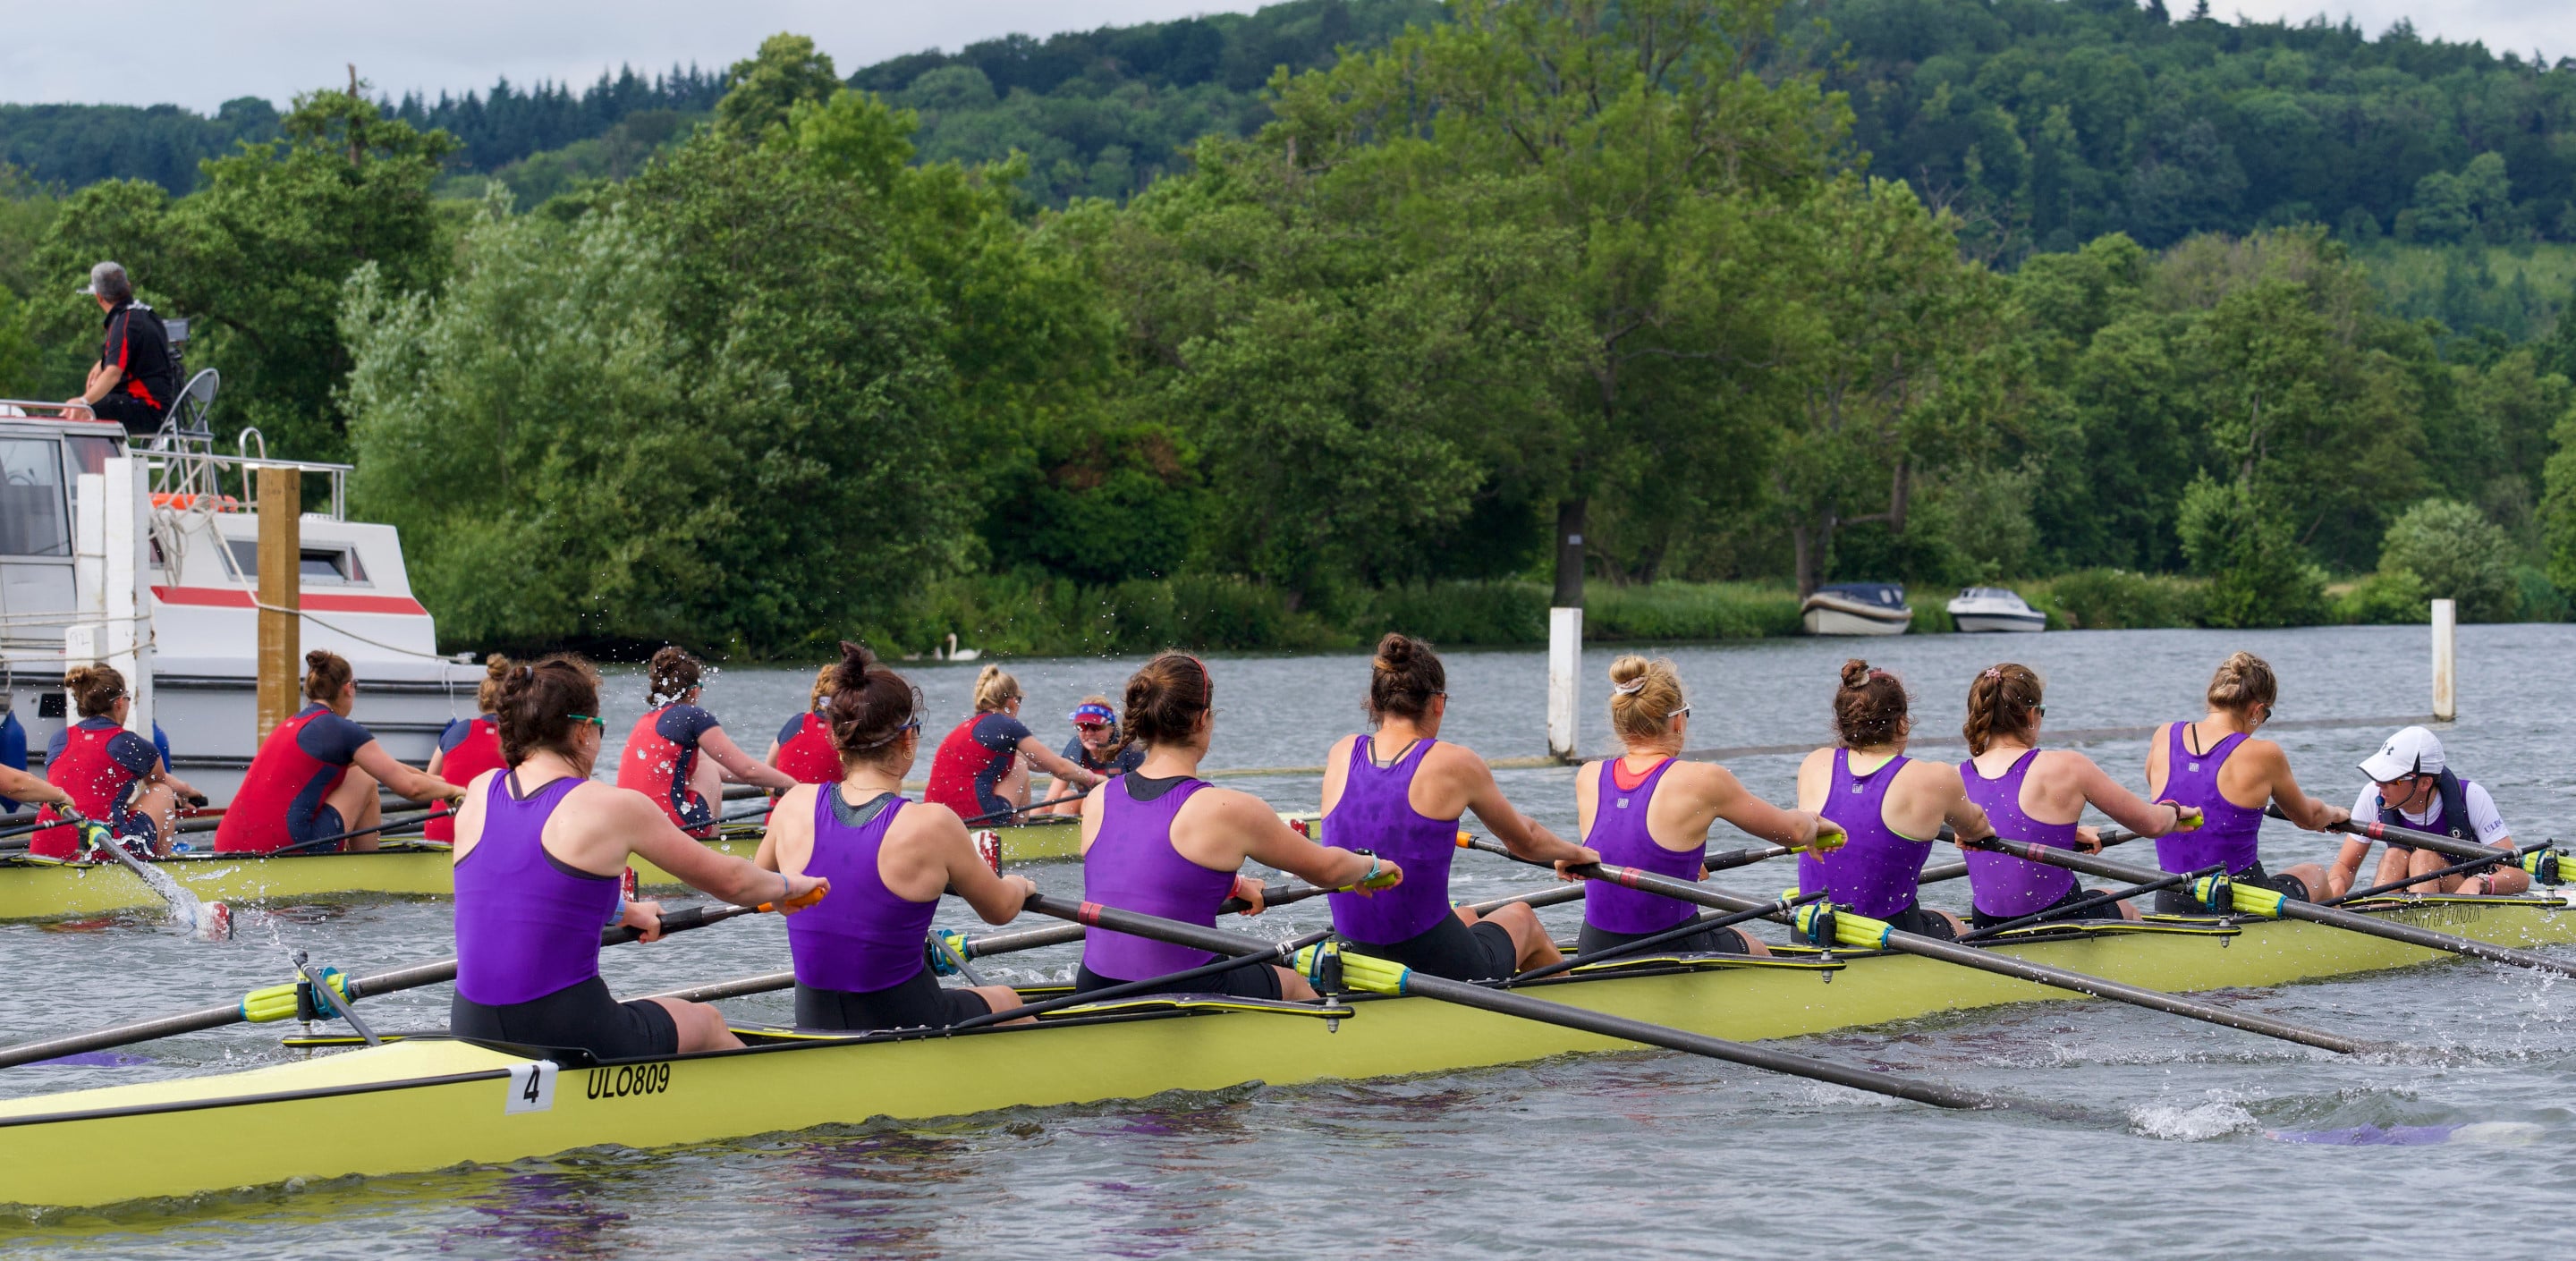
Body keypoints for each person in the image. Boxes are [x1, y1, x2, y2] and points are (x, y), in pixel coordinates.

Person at [449, 654, 827, 1059]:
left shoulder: (479, 791)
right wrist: (791, 885)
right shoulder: (612, 806)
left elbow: (525, 884)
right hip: (564, 1028)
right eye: (600, 729)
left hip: (471, 1022)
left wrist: (624, 911)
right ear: (582, 732)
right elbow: (733, 882)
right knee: (706, 1023)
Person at [1074, 652, 1400, 1001]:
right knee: (1292, 981)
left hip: (1093, 987)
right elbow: (1328, 870)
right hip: (1182, 988)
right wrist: (1372, 865)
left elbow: (1143, 871)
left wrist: (1232, 884)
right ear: (1203, 719)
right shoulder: (1228, 809)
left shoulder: (1098, 798)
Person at [757, 642, 1038, 1031]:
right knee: (1006, 998)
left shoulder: (792, 805)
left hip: (815, 1019)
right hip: (908, 1020)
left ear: (837, 740)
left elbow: (760, 889)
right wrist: (1020, 885)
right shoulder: (934, 823)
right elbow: (1001, 910)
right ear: (908, 740)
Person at [1320, 634, 1597, 980]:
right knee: (1523, 917)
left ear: (1376, 702)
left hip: (1352, 952)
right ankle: (1571, 1023)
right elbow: (1525, 840)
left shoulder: (1342, 752)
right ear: (1437, 703)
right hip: (1426, 959)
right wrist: (1574, 852)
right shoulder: (1454, 762)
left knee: (1465, 915)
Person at [1580, 656, 1841, 960]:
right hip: (1671, 949)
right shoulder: (1703, 779)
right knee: (1755, 946)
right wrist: (1814, 823)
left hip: (1594, 948)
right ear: (1678, 720)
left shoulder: (1589, 775)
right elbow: (1793, 832)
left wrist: (1682, 862)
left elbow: (1627, 844)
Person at [1958, 664, 2202, 929]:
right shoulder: (2067, 766)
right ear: (2031, 715)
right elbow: (2153, 824)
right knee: (2120, 903)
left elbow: (1997, 822)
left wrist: (2058, 836)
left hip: (1987, 925)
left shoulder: (1954, 777)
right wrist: (2174, 811)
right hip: (2059, 919)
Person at [1795, 661, 1996, 941]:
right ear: (1901, 723)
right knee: (1952, 922)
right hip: (1888, 938)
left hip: (1811, 932)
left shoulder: (1814, 763)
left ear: (1845, 723)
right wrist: (1973, 831)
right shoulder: (1934, 777)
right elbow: (1976, 829)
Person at [2144, 651, 2349, 913]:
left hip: (2171, 899)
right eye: (2266, 716)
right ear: (2256, 710)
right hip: (2242, 904)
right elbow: (2308, 817)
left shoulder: (2164, 736)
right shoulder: (2263, 754)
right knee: (2316, 874)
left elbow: (2162, 784)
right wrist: (2335, 814)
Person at [215, 650, 463, 854]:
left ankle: (355, 859)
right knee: (366, 780)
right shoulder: (341, 730)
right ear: (347, 688)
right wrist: (457, 791)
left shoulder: (291, 725)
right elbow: (411, 788)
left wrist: (437, 781)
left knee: (360, 773)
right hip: (284, 847)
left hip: (227, 845)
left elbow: (390, 767)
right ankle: (368, 874)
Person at [615, 647, 798, 838]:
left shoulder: (647, 720)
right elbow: (746, 770)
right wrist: (793, 784)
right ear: (694, 691)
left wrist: (770, 784)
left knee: (703, 763)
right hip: (676, 831)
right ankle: (712, 843)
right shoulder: (693, 716)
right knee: (707, 767)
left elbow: (733, 771)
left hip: (633, 828)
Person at [2324, 725, 2526, 899]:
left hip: (2462, 898)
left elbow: (2518, 877)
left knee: (2424, 858)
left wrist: (2481, 882)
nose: (2379, 785)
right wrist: (2336, 885)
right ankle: (2379, 915)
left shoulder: (2471, 797)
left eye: (2391, 779)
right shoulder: (2372, 795)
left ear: (2425, 783)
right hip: (2406, 894)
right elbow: (2346, 867)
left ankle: (2418, 928)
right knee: (2394, 855)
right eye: (2379, 776)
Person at [30, 664, 203, 858]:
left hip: (44, 849)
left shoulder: (59, 739)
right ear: (120, 702)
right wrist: (187, 792)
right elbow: (159, 781)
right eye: (128, 698)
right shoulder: (132, 743)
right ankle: (162, 868)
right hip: (102, 846)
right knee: (162, 793)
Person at [924, 665, 1105, 825]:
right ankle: (1020, 832)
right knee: (1019, 765)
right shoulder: (1007, 725)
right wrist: (1094, 779)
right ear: (1011, 701)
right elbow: (1058, 768)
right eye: (1020, 700)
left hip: (937, 818)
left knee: (1017, 760)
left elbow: (1042, 764)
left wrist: (1074, 771)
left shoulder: (966, 727)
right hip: (973, 816)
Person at [64, 262, 178, 437]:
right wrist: (103, 362)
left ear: (99, 297)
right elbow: (137, 356)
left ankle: (92, 465)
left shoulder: (125, 323)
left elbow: (113, 374)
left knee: (78, 413)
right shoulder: (147, 315)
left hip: (147, 408)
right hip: (160, 408)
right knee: (90, 406)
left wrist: (82, 402)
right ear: (128, 287)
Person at [423, 655, 513, 845]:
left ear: (481, 699)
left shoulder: (457, 729)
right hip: (479, 837)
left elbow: (429, 778)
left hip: (437, 830)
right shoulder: (517, 737)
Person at [1043, 697, 1145, 817]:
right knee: (1067, 796)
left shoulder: (1131, 752)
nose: (1089, 733)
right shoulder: (1074, 748)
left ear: (1111, 728)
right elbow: (1048, 804)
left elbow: (1143, 800)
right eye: (1083, 727)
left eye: (1096, 727)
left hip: (1120, 813)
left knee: (1089, 800)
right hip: (1086, 812)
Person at [765, 664, 843, 786]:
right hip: (820, 804)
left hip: (781, 804)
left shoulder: (795, 722)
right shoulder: (846, 732)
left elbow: (767, 772)